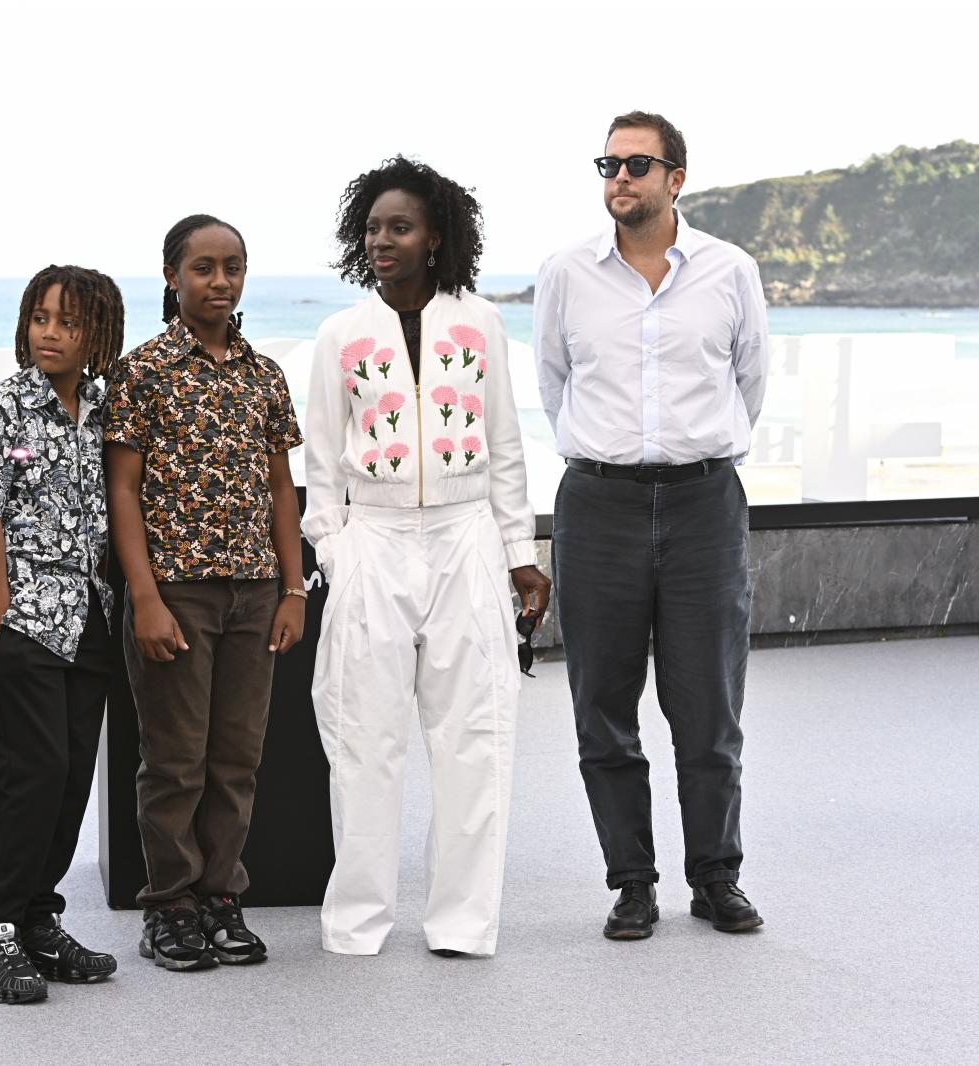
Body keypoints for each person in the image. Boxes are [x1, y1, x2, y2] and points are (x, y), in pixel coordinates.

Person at [303, 156, 550, 958]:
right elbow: (322, 461)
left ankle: (463, 922)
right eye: (373, 228)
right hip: (371, 541)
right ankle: (357, 920)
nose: (382, 240)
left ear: (434, 236)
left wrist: (520, 551)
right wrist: (337, 554)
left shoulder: (480, 323)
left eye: (399, 227)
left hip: (465, 536)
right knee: (363, 736)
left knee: (473, 736)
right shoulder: (341, 335)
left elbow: (507, 446)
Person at [534, 111, 769, 940]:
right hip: (598, 505)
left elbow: (750, 382)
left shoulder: (730, 270)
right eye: (608, 163)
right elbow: (554, 385)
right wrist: (617, 461)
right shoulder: (566, 273)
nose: (619, 177)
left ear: (676, 178)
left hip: (706, 503)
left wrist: (689, 460)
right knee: (603, 707)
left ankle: (716, 877)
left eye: (638, 163)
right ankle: (632, 882)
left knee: (708, 707)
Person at [103, 214, 306, 971]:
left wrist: (293, 588)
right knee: (175, 759)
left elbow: (282, 488)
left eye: (233, 268)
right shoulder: (143, 372)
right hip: (177, 593)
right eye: (203, 269)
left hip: (254, 593)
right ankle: (171, 906)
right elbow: (122, 491)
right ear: (172, 278)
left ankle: (222, 897)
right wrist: (145, 597)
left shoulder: (264, 376)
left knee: (236, 759)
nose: (219, 282)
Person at [0, 265, 125, 1004]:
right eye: (40, 318)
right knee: (32, 775)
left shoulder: (101, 407)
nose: (49, 333)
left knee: (70, 776)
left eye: (68, 321)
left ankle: (37, 919)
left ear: (97, 335)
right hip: (19, 618)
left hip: (88, 613)